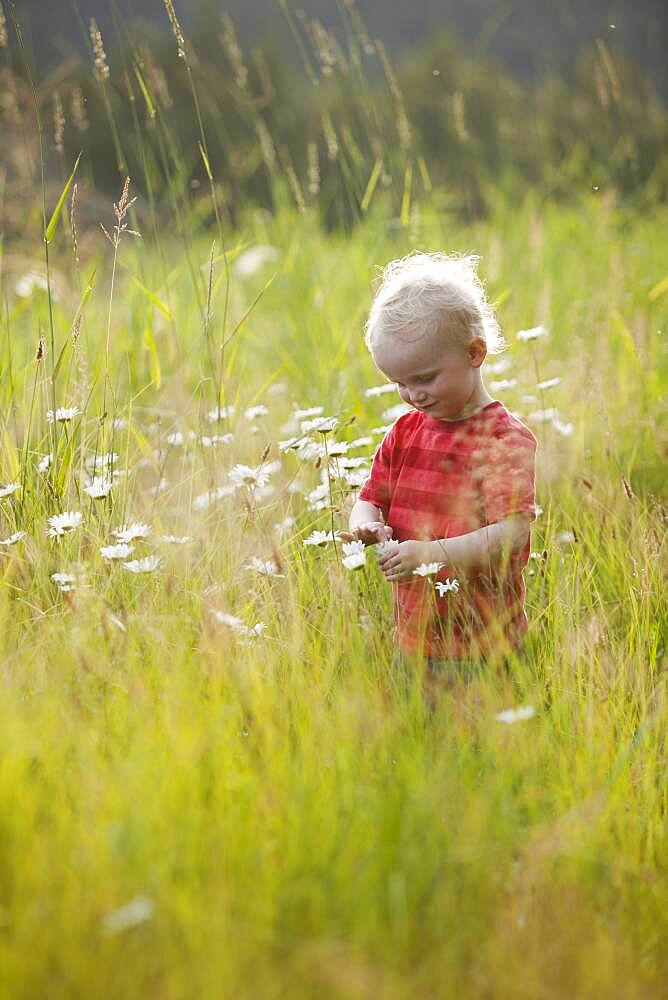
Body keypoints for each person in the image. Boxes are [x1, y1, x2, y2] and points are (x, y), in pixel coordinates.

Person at [339, 251, 538, 694]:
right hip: (413, 637)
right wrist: (366, 526)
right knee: (419, 747)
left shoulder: (503, 440)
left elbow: (511, 535)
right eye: (399, 383)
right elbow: (370, 498)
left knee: (483, 748)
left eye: (425, 379)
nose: (412, 395)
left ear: (474, 353)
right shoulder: (405, 432)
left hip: (485, 646)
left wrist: (430, 555)